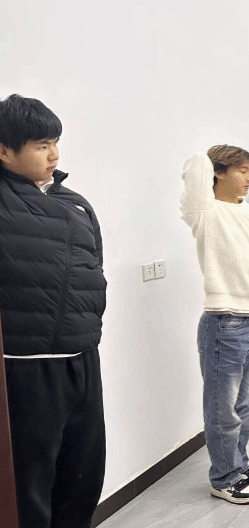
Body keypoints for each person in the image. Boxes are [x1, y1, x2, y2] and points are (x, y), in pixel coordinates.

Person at [0, 94, 107, 528]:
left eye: (56, 142)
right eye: (41, 144)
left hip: (83, 358)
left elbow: (95, 269)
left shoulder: (75, 203)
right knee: (30, 487)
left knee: (83, 477)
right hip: (25, 366)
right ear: (4, 150)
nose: (54, 154)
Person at [180, 145, 249, 504]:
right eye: (242, 170)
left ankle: (238, 465)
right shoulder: (205, 212)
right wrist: (212, 158)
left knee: (245, 405)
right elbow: (194, 168)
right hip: (224, 320)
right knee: (223, 409)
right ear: (218, 172)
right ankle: (223, 477)